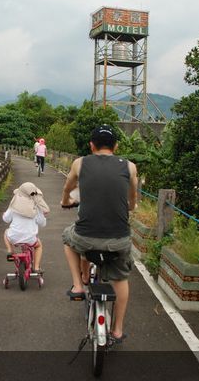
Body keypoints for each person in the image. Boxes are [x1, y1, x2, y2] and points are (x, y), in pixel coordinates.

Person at [60, 125, 137, 343]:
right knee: (121, 278)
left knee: (68, 238)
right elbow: (132, 196)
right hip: (119, 240)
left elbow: (67, 188)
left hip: (85, 237)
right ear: (116, 146)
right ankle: (118, 330)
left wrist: (66, 202)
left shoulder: (80, 162)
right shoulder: (129, 167)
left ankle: (77, 285)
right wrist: (131, 206)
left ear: (92, 146)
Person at [3, 182, 50, 273]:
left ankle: (10, 250)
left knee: (6, 232)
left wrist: (4, 215)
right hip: (30, 238)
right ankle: (36, 268)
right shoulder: (36, 205)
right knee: (38, 246)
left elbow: (6, 219)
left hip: (14, 236)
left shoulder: (14, 204)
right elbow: (42, 223)